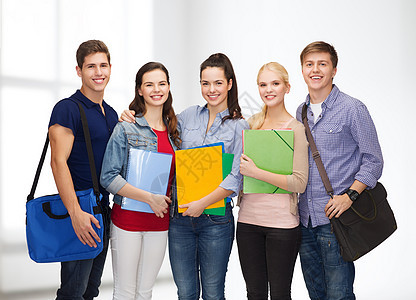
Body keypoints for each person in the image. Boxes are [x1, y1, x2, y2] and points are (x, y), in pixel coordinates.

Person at [120, 53, 249, 299]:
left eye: (218, 83)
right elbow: (156, 132)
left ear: (230, 84)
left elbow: (236, 177)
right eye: (205, 83)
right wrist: (129, 116)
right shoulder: (187, 116)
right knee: (186, 293)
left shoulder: (239, 126)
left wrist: (203, 203)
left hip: (216, 220)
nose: (211, 89)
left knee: (212, 293)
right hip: (179, 218)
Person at [295, 41, 384, 300]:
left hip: (337, 221)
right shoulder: (299, 113)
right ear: (302, 70)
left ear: (334, 70)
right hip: (305, 221)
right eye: (309, 64)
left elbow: (373, 161)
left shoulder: (353, 109)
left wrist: (350, 196)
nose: (315, 70)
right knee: (316, 294)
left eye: (322, 64)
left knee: (339, 294)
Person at [100, 62, 180, 300]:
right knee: (125, 293)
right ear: (140, 90)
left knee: (145, 293)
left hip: (160, 223)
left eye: (162, 83)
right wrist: (149, 198)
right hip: (128, 222)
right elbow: (108, 177)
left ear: (168, 87)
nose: (156, 89)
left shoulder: (177, 132)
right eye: (149, 84)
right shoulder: (126, 127)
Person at [48, 40, 118, 300]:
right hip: (80, 209)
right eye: (91, 66)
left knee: (90, 290)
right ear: (79, 71)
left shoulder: (110, 114)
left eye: (103, 65)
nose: (98, 72)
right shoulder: (68, 109)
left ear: (110, 68)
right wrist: (75, 212)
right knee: (72, 292)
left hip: (103, 211)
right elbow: (58, 162)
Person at [237, 62, 309, 300]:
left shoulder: (296, 129)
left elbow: (299, 183)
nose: (269, 90)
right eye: (263, 84)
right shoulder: (249, 125)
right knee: (254, 294)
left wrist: (256, 172)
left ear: (287, 87)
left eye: (275, 84)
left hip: (282, 226)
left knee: (279, 294)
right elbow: (233, 170)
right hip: (247, 223)